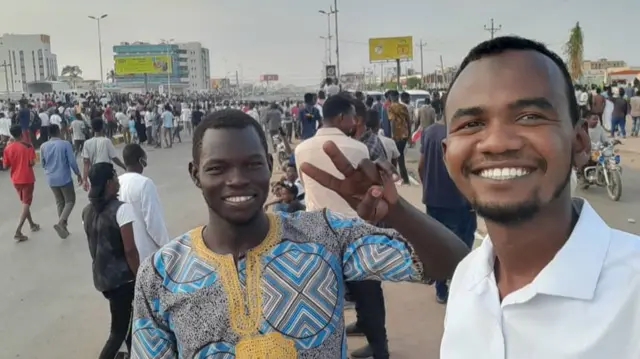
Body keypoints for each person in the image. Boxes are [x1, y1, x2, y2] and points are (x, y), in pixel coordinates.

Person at [131, 109, 469, 358]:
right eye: (217, 168)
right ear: (195, 175)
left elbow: (453, 263)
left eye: (251, 164)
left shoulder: (326, 236)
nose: (237, 179)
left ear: (268, 164)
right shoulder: (161, 274)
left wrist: (397, 211)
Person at [439, 36, 640, 359]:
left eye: (530, 116)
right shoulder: (467, 279)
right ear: (448, 157)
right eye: (472, 123)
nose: (497, 143)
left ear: (578, 142)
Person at [82, 162, 139, 359]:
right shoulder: (122, 210)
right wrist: (139, 276)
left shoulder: (87, 212)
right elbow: (130, 250)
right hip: (123, 280)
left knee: (131, 323)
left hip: (102, 278)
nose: (118, 180)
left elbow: (94, 245)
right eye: (115, 176)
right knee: (118, 333)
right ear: (108, 183)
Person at [418, 113, 476, 303]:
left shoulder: (428, 132)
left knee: (436, 243)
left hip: (433, 199)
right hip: (459, 200)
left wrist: (428, 185)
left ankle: (441, 288)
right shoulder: (462, 132)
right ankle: (460, 285)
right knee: (462, 243)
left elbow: (421, 165)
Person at [118, 143, 171, 260]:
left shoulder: (117, 182)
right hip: (146, 252)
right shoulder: (145, 184)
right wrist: (167, 248)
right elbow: (153, 222)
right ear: (141, 160)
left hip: (126, 254)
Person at [40, 124, 82, 239]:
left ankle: (63, 228)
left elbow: (43, 164)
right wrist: (78, 174)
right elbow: (72, 161)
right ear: (59, 131)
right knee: (70, 201)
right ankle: (61, 223)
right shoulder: (65, 144)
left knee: (60, 202)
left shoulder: (43, 146)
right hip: (64, 177)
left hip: (51, 178)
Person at [2, 124, 40, 242]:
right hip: (27, 177)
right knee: (26, 203)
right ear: (22, 133)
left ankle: (32, 224)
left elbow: (5, 166)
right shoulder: (28, 146)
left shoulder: (7, 148)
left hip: (15, 179)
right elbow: (32, 163)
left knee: (24, 203)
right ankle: (18, 230)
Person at [81, 118, 126, 191]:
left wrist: (85, 180)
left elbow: (86, 163)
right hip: (105, 170)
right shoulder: (106, 141)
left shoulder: (87, 143)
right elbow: (114, 158)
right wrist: (124, 166)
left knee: (96, 191)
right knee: (110, 190)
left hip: (94, 172)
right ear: (102, 128)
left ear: (92, 129)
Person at [387, 90, 411, 184]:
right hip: (404, 134)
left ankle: (397, 178)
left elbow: (392, 121)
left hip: (396, 135)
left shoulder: (390, 108)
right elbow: (408, 121)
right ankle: (404, 178)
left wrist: (392, 135)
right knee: (400, 156)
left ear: (391, 97)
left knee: (395, 157)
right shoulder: (403, 107)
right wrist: (409, 135)